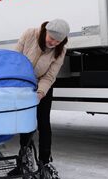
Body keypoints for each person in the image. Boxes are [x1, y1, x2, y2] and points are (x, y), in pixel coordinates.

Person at [14, 19, 69, 166]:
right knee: (25, 122)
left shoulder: (61, 50)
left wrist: (40, 92)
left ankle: (45, 160)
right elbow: (15, 59)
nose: (54, 43)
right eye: (52, 39)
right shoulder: (29, 34)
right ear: (46, 32)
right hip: (23, 83)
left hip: (42, 86)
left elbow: (50, 76)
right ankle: (23, 159)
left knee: (43, 122)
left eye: (58, 41)